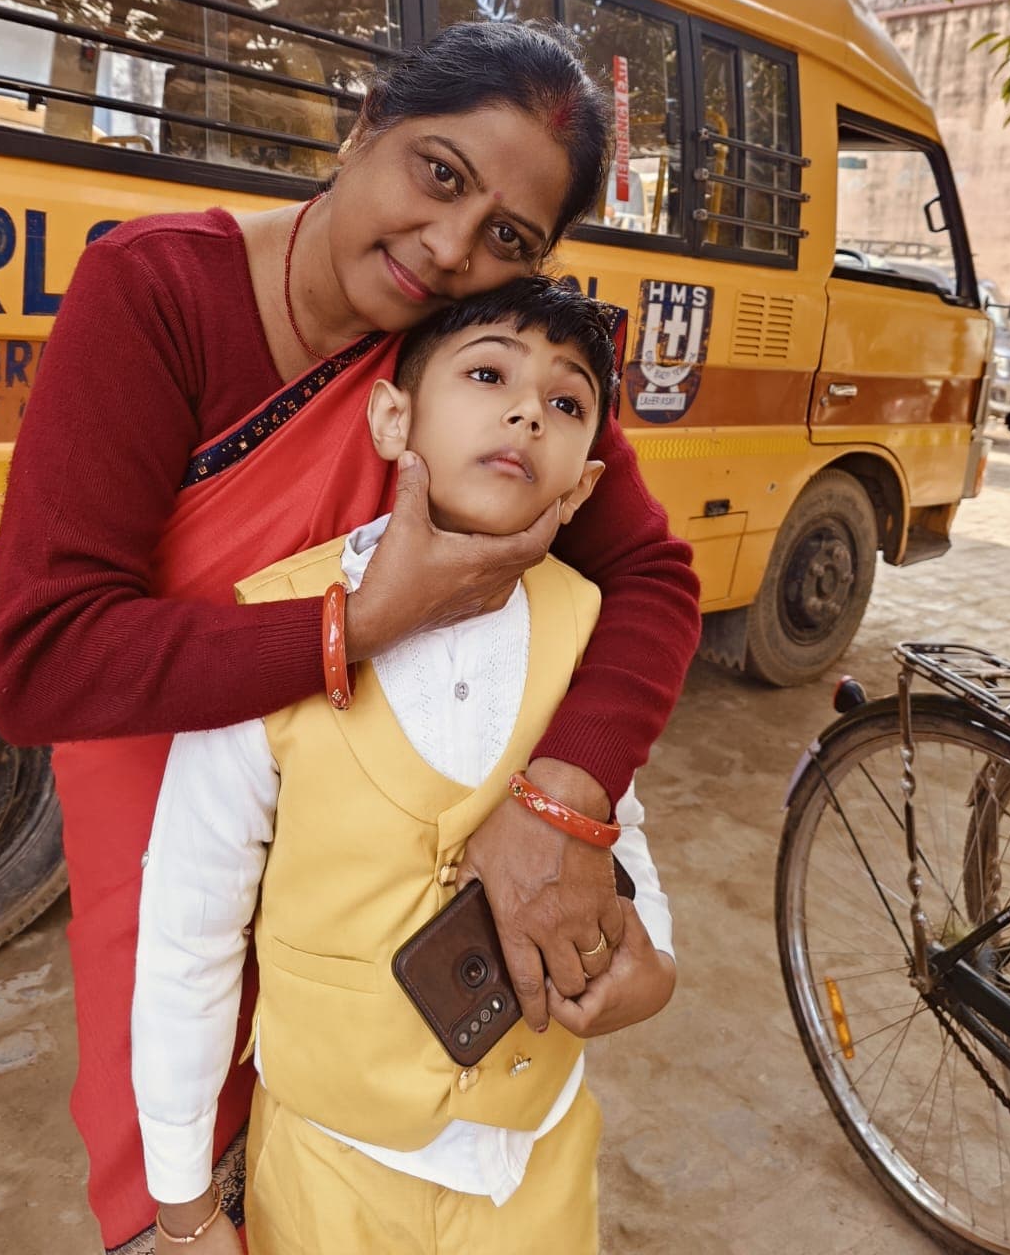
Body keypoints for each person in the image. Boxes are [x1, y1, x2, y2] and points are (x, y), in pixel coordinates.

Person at [0, 20, 700, 1253]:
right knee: (185, 1164)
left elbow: (650, 577)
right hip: (173, 832)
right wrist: (364, 621)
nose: (449, 247)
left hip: (382, 887)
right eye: (438, 172)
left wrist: (564, 803)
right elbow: (45, 658)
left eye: (509, 237)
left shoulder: (473, 361)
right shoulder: (156, 292)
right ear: (364, 123)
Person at [132, 278, 677, 1255]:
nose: (526, 410)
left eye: (566, 403)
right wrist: (181, 1207)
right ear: (394, 418)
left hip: (538, 1171)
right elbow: (187, 933)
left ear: (585, 482)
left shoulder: (586, 630)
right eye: (487, 372)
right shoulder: (272, 636)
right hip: (330, 1175)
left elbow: (619, 834)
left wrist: (655, 961)